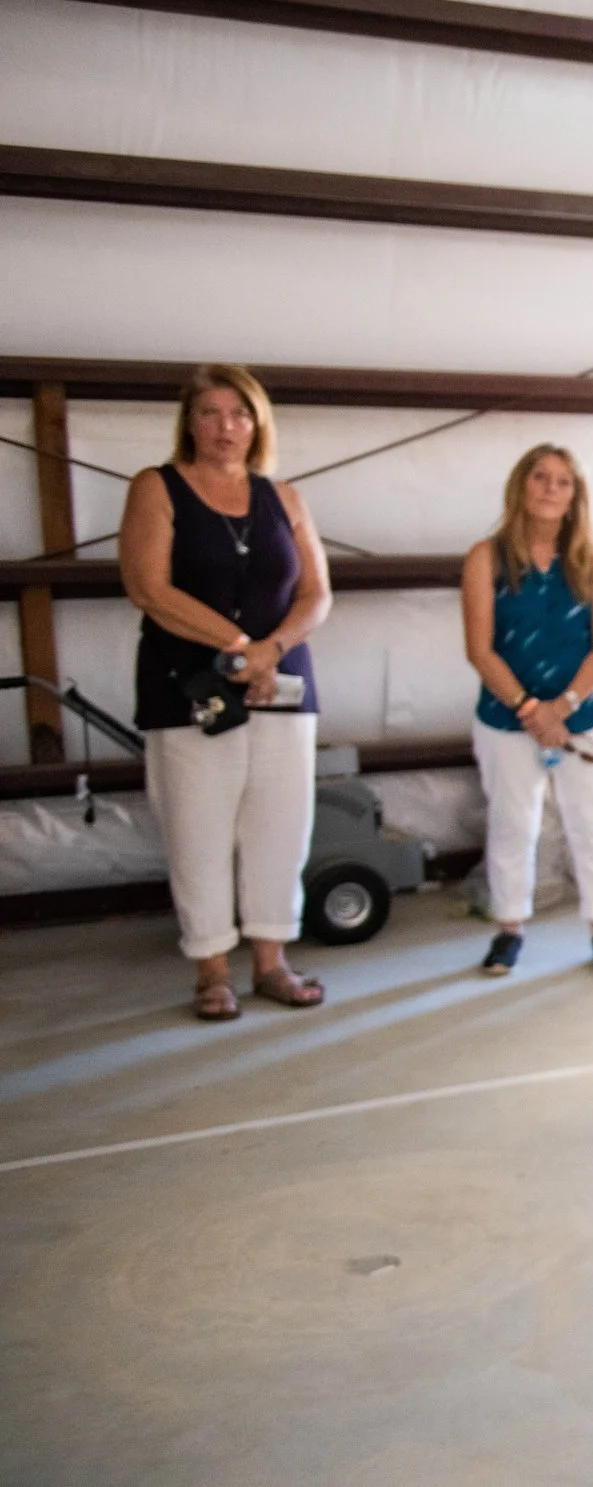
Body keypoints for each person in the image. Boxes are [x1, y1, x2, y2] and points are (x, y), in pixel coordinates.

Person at [119, 363, 332, 1021]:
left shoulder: (284, 497)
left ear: (257, 423)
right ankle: (212, 968)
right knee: (198, 831)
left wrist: (272, 650)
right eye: (210, 413)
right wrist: (240, 647)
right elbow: (149, 587)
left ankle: (271, 962)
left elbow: (317, 593)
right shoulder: (156, 487)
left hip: (282, 685)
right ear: (189, 422)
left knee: (281, 827)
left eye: (239, 413)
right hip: (189, 688)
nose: (225, 426)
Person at [462, 445, 593, 976]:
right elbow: (479, 648)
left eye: (563, 481)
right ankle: (509, 928)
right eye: (541, 477)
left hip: (585, 714)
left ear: (576, 495)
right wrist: (530, 709)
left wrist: (562, 707)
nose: (551, 489)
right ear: (522, 484)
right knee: (513, 824)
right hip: (507, 718)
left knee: (592, 824)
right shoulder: (486, 557)